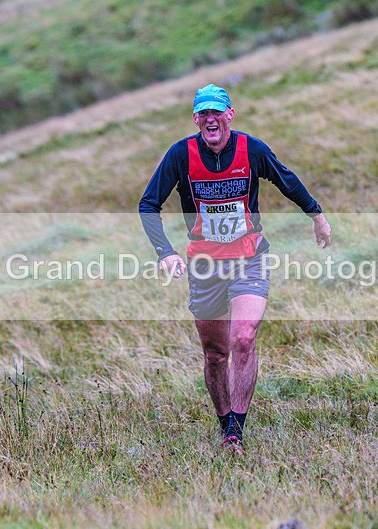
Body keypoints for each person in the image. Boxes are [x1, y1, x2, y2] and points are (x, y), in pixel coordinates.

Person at [139, 83, 331, 455]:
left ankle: (235, 433)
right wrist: (165, 252)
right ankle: (224, 418)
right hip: (205, 265)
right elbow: (148, 204)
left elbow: (285, 180)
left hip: (249, 257)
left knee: (243, 338)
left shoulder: (251, 149)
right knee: (215, 354)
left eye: (217, 111)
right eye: (203, 113)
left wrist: (317, 216)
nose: (210, 119)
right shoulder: (181, 155)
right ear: (196, 119)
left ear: (230, 114)